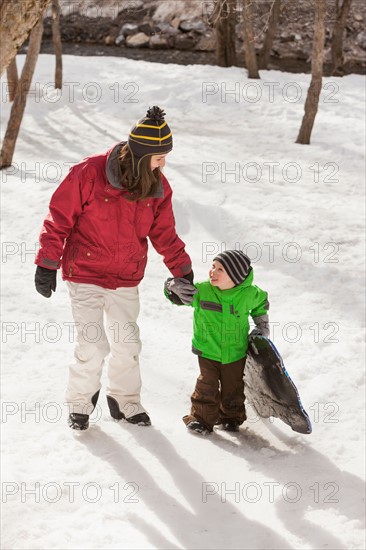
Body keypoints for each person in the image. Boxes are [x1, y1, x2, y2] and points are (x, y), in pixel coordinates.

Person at [35, 106, 193, 431]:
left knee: (127, 344)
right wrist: (47, 263)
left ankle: (125, 401)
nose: (163, 163)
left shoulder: (157, 186)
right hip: (85, 272)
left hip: (125, 276)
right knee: (93, 344)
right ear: (140, 154)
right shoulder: (89, 173)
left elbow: (163, 232)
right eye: (159, 156)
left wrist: (182, 270)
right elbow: (58, 218)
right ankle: (80, 402)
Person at [164, 250, 269, 435]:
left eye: (220, 269)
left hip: (236, 351)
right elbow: (180, 298)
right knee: (206, 385)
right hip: (207, 349)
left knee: (234, 387)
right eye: (213, 266)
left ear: (236, 277)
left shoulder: (249, 294)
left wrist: (262, 324)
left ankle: (231, 418)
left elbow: (261, 302)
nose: (213, 271)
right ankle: (200, 419)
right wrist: (171, 287)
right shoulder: (203, 291)